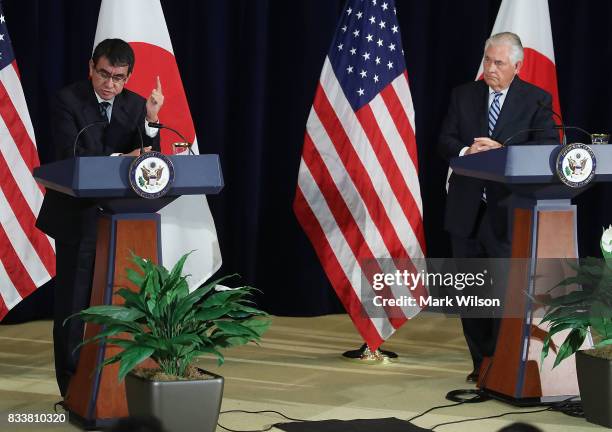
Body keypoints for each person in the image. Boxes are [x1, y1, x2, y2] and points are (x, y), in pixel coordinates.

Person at [36, 38, 164, 397]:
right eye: (104, 74)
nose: (110, 84)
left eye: (119, 78)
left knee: (121, 304)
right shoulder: (68, 100)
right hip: (78, 219)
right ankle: (72, 387)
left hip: (123, 222)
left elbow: (152, 163)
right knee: (74, 307)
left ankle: (116, 387)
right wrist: (121, 157)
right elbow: (71, 153)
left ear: (128, 77)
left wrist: (152, 122)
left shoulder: (137, 104)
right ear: (91, 67)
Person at [438, 32, 557, 383]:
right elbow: (444, 140)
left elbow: (547, 149)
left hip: (508, 213)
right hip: (466, 211)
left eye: (499, 63)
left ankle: (504, 364)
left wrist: (502, 149)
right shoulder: (463, 95)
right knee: (473, 295)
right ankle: (481, 366)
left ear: (517, 66)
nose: (490, 68)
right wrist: (465, 152)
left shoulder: (536, 100)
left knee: (506, 294)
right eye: (487, 60)